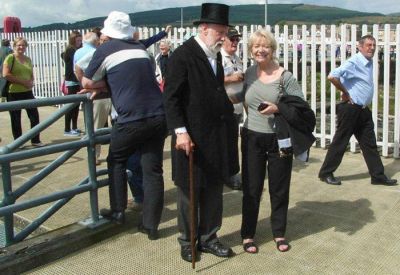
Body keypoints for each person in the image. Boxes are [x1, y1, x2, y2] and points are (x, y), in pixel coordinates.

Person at [80, 11, 167, 240]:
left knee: (116, 160)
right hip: (158, 115)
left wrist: (106, 84)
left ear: (108, 32)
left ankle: (118, 211)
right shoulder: (139, 48)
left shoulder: (105, 49)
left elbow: (86, 81)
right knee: (153, 170)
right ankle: (151, 226)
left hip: (131, 118)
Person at [163, 3, 239, 262]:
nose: (224, 36)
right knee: (190, 191)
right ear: (204, 28)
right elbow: (171, 99)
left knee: (214, 190)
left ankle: (209, 238)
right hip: (192, 137)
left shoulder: (215, 55)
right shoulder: (182, 56)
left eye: (225, 31)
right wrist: (180, 132)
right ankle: (188, 241)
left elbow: (216, 90)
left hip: (217, 135)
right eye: (220, 31)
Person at [233, 29, 305, 253]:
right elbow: (241, 98)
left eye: (265, 46)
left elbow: (301, 106)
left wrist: (278, 108)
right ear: (251, 49)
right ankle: (247, 234)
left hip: (279, 139)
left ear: (273, 49)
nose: (260, 50)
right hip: (251, 137)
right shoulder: (249, 73)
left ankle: (279, 233)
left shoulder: (285, 76)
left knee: (279, 188)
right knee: (251, 189)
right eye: (256, 46)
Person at [318, 35, 397, 186]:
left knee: (369, 143)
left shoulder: (369, 61)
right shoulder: (354, 61)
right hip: (350, 109)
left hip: (363, 109)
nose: (372, 48)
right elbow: (332, 76)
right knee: (340, 142)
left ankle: (377, 176)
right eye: (368, 45)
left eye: (373, 45)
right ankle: (326, 173)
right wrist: (345, 91)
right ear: (360, 47)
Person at [74, 31, 111, 166]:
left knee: (117, 126)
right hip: (100, 96)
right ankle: (94, 156)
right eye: (101, 41)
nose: (102, 43)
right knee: (97, 127)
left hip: (113, 94)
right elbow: (78, 67)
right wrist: (89, 85)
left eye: (105, 40)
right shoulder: (96, 53)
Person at [2, 37, 43, 147]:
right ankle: (18, 142)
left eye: (23, 45)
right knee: (16, 118)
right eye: (19, 45)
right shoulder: (10, 58)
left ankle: (35, 140)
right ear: (14, 46)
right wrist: (23, 82)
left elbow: (30, 72)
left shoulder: (28, 59)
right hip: (14, 92)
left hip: (27, 92)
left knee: (34, 116)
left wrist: (31, 81)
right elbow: (5, 74)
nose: (21, 47)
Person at [221, 27, 244, 190]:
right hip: (225, 108)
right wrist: (230, 78)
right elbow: (210, 80)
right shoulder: (219, 58)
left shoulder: (236, 57)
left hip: (236, 108)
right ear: (224, 40)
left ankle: (229, 173)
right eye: (232, 39)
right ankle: (229, 175)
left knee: (231, 142)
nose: (235, 42)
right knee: (227, 144)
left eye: (237, 40)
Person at [61, 30, 82, 137]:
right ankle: (67, 128)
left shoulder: (74, 50)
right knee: (70, 106)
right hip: (72, 80)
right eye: (78, 40)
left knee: (76, 106)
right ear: (73, 40)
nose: (80, 42)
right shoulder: (70, 50)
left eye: (80, 40)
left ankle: (74, 127)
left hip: (75, 80)